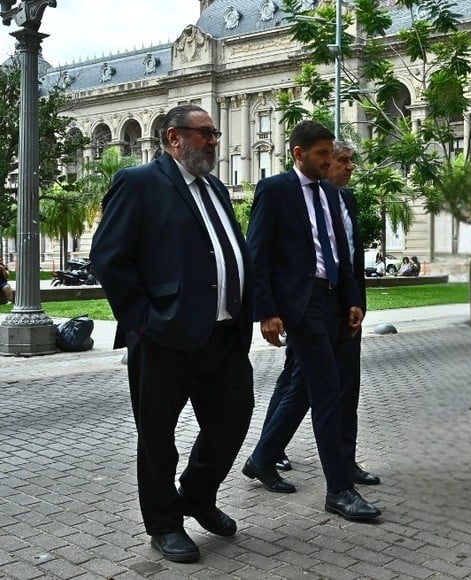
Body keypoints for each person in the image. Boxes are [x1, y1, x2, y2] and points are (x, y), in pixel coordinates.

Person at [90, 104, 255, 564]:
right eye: (204, 133)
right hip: (164, 337)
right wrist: (143, 319)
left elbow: (228, 251)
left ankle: (198, 495)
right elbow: (109, 257)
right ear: (173, 138)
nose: (213, 141)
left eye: (215, 134)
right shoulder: (140, 183)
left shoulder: (216, 189)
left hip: (222, 335)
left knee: (233, 419)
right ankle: (164, 524)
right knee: (158, 437)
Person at [243, 121, 380, 521]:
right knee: (326, 391)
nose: (328, 160)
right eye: (321, 154)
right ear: (298, 154)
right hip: (302, 305)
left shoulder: (329, 193)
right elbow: (259, 256)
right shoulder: (276, 190)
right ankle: (339, 490)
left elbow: (340, 251)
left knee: (308, 386)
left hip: (335, 300)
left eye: (330, 153)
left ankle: (263, 457)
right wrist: (267, 311)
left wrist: (353, 299)